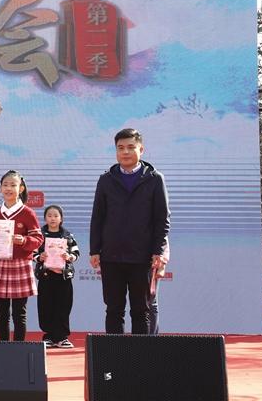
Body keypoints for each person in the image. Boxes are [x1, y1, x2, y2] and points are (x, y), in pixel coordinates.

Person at [89, 128, 170, 334]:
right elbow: (98, 217)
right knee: (113, 310)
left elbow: (162, 218)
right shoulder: (106, 179)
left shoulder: (155, 179)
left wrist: (158, 251)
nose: (125, 152)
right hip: (111, 256)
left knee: (141, 310)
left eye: (131, 147)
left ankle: (140, 354)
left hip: (143, 256)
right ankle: (114, 353)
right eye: (120, 148)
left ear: (141, 149)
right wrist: (95, 250)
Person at [0, 170, 44, 341]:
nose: (8, 188)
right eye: (5, 185)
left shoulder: (28, 213)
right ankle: (3, 347)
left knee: (19, 313)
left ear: (21, 188)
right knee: (1, 312)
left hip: (20, 264)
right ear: (0, 188)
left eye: (13, 185)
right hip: (0, 264)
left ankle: (19, 349)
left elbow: (38, 239)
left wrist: (24, 240)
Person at [34, 205, 79, 348]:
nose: (52, 218)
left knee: (63, 307)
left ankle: (61, 337)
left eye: (55, 216)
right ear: (45, 218)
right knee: (46, 306)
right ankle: (48, 337)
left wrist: (69, 257)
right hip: (46, 276)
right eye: (49, 216)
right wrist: (39, 257)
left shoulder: (68, 235)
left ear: (61, 219)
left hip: (63, 277)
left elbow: (76, 252)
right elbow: (33, 253)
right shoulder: (40, 235)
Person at [148, 236, 170, 334]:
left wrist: (163, 264)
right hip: (133, 260)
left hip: (153, 262)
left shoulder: (159, 228)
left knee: (151, 301)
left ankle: (152, 337)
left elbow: (163, 238)